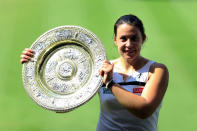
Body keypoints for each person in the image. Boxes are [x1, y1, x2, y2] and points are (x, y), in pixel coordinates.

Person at [20, 14, 169, 131]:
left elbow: (144, 109)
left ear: (143, 39)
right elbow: (64, 104)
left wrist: (110, 84)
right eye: (123, 39)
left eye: (134, 38)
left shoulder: (156, 70)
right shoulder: (103, 67)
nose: (128, 44)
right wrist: (34, 61)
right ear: (115, 40)